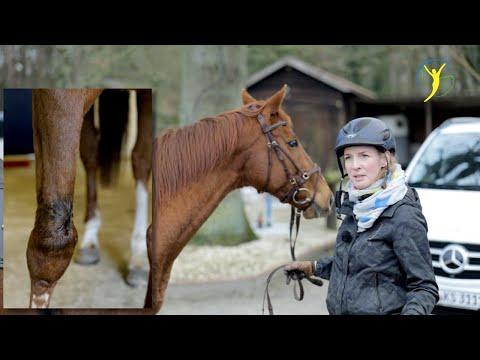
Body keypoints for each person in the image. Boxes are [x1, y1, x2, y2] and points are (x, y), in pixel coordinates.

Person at [285, 117, 439, 315]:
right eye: (348, 157)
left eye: (364, 156)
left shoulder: (403, 215)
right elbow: (357, 266)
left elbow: (424, 288)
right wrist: (313, 267)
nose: (354, 165)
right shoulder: (357, 205)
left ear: (384, 159)